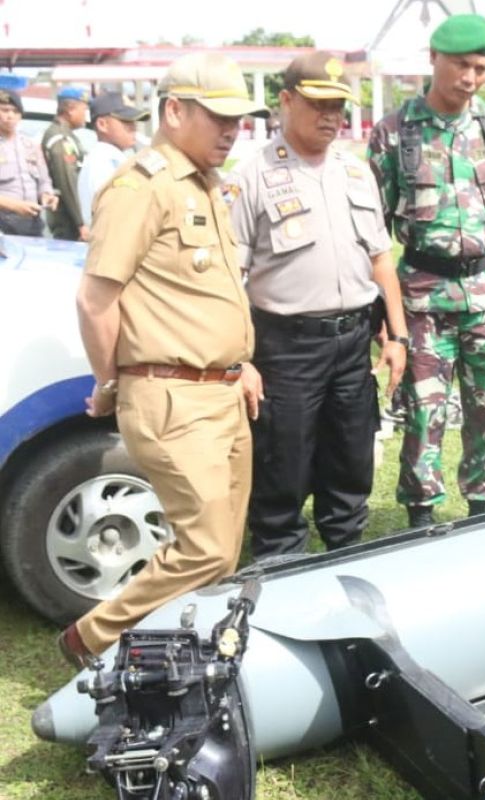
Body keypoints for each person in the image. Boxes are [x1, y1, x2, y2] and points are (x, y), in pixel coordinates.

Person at [60, 52, 269, 668]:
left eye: (240, 120)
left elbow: (205, 294)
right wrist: (111, 380)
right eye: (219, 117)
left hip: (224, 391)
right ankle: (91, 640)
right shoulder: (140, 187)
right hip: (173, 397)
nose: (233, 131)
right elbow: (97, 299)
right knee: (204, 549)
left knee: (223, 552)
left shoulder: (206, 185)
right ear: (174, 111)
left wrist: (242, 360)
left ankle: (176, 660)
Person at [368, 13, 485, 527]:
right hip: (422, 301)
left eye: (480, 68)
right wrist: (385, 315)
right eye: (459, 65)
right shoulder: (394, 133)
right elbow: (374, 232)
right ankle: (421, 513)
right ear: (433, 60)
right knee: (424, 413)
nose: (469, 78)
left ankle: (484, 508)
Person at [230, 52, 407, 559]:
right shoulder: (253, 176)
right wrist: (239, 357)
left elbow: (381, 258)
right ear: (285, 102)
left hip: (353, 341)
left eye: (338, 106)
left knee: (350, 460)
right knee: (282, 466)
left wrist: (396, 336)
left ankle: (343, 555)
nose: (331, 117)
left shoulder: (355, 172)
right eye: (318, 104)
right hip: (285, 348)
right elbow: (230, 278)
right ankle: (281, 564)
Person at [77, 92, 148, 227]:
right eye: (125, 122)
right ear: (102, 124)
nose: (133, 127)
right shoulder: (102, 162)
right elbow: (111, 215)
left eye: (133, 122)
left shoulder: (113, 158)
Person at [0, 89, 57, 236]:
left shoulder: (30, 145)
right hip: (3, 224)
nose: (10, 116)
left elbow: (44, 180)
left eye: (15, 111)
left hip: (32, 222)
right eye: (4, 110)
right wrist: (15, 206)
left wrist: (47, 195)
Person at [42, 86, 89, 241]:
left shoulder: (66, 135)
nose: (85, 116)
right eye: (84, 110)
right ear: (70, 110)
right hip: (67, 219)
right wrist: (80, 222)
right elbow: (68, 182)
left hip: (70, 217)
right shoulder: (60, 138)